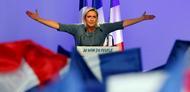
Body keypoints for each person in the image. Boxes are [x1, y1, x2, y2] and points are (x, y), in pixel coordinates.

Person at [26, 7, 155, 46]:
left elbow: (124, 23)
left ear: (97, 18)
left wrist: (141, 18)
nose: (91, 19)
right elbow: (57, 25)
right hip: (81, 65)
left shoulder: (105, 28)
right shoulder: (77, 29)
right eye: (89, 17)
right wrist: (39, 19)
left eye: (94, 16)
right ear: (85, 19)